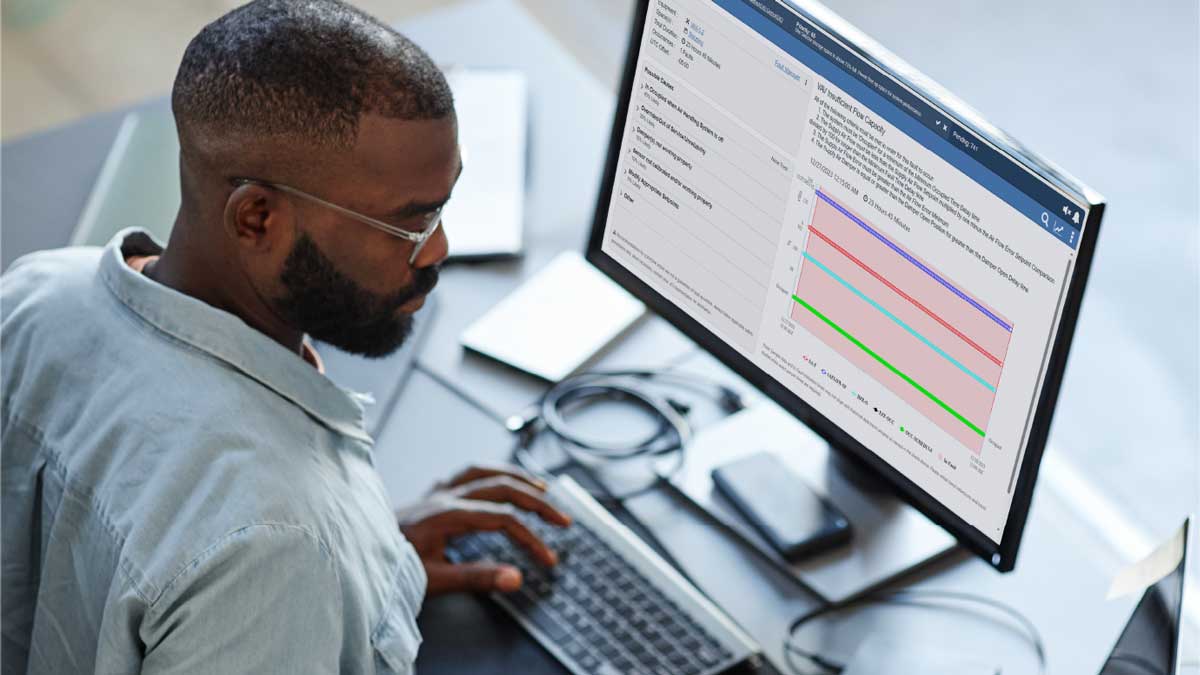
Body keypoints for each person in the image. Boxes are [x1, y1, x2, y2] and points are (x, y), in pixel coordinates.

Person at [0, 1, 568, 673]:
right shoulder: (280, 547)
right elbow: (251, 549)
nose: (438, 248)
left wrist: (367, 562)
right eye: (409, 225)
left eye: (442, 206)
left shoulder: (35, 292)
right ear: (258, 219)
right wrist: (312, 570)